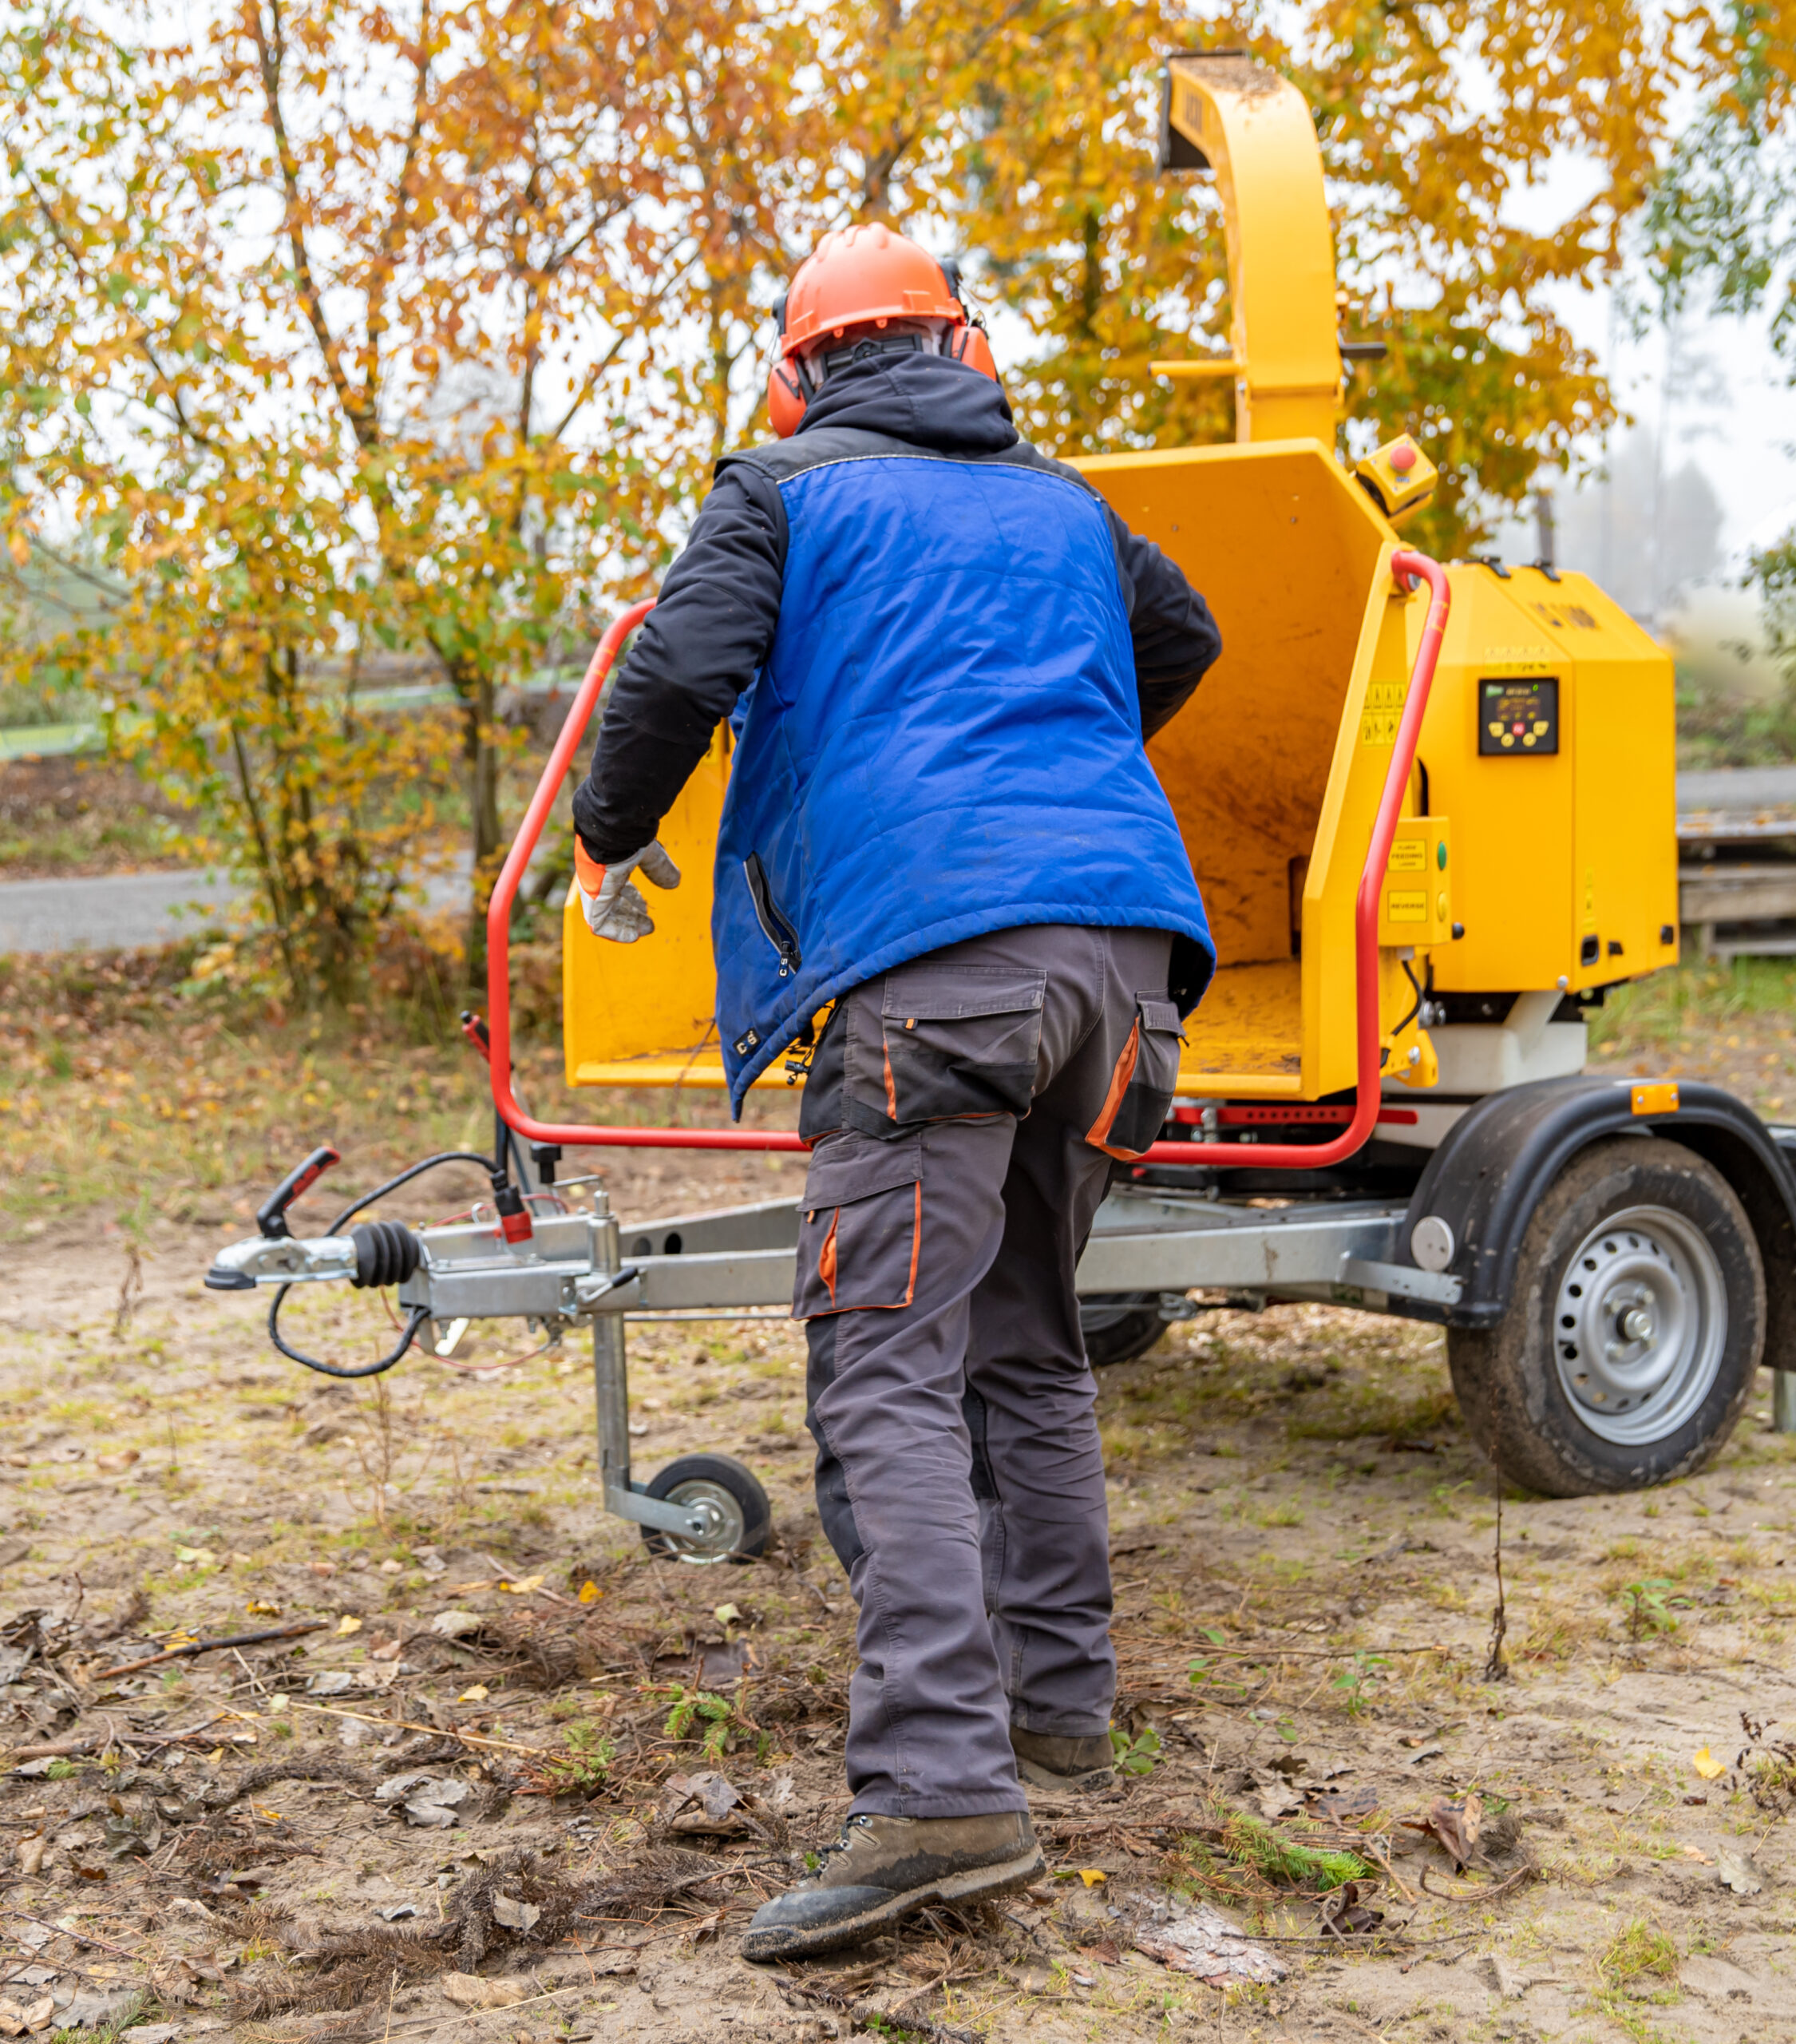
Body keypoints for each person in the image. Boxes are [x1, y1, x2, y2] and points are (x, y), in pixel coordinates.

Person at [570, 222, 1221, 1961]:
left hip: (930, 973)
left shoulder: (779, 491)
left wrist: (605, 838)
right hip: (1124, 973)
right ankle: (1055, 1712)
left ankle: (938, 1784)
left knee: (883, 1365)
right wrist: (1049, 758)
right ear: (964, 346)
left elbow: (675, 672)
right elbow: (1185, 636)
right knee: (1025, 1338)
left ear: (795, 368)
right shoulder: (1070, 510)